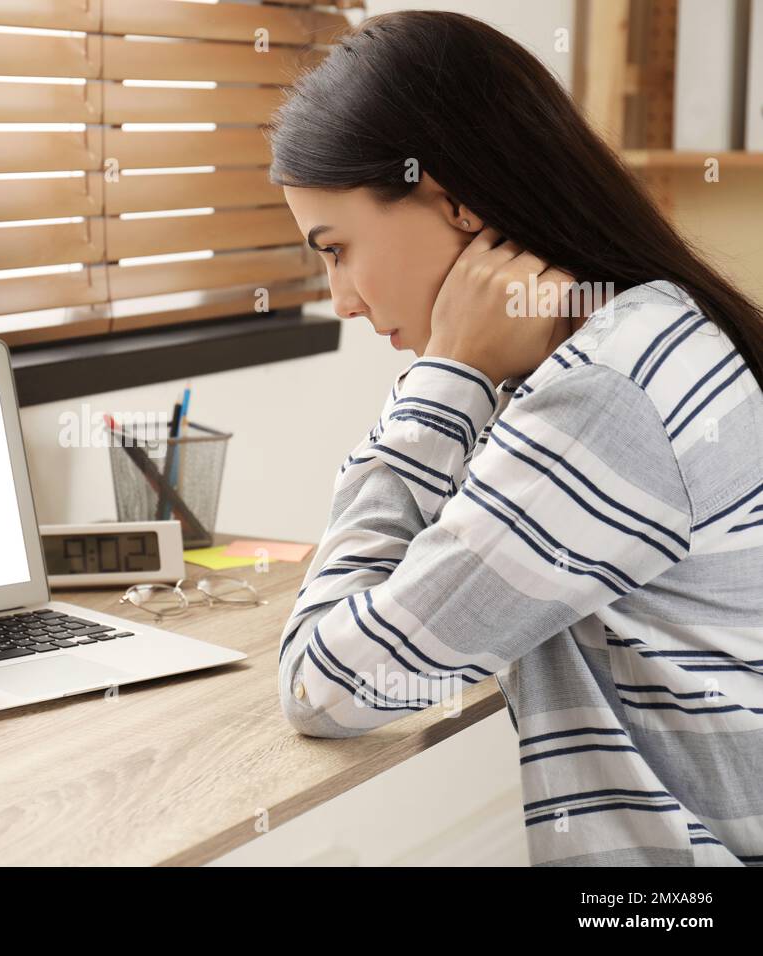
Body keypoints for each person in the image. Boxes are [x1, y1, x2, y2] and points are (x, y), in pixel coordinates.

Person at [268, 10, 763, 866]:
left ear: (454, 198)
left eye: (338, 248)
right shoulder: (633, 338)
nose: (342, 299)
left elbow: (326, 683)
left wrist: (446, 373)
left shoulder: (602, 405)